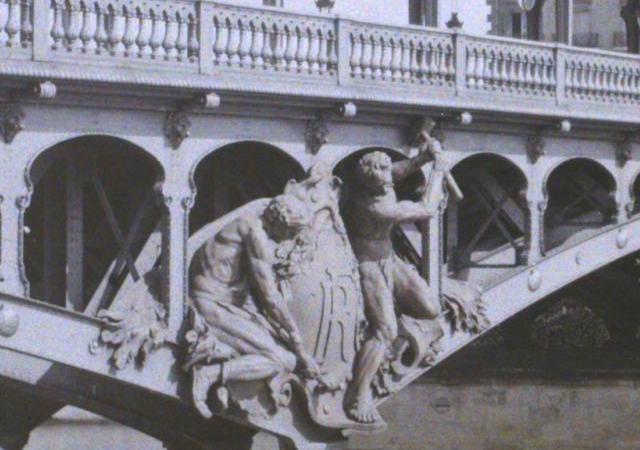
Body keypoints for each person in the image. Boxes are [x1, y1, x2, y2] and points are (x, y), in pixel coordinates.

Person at [185, 189, 339, 418]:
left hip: (221, 306)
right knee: (279, 359)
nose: (290, 239)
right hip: (210, 307)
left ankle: (223, 382)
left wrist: (297, 350)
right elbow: (270, 297)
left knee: (286, 356)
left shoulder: (246, 223)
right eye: (292, 232)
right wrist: (299, 344)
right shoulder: (254, 233)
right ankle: (209, 375)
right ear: (281, 222)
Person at [341, 144, 460, 425]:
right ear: (372, 184)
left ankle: (396, 316)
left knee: (431, 308)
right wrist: (438, 172)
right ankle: (358, 397)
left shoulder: (380, 179)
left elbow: (398, 170)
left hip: (388, 256)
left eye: (387, 176)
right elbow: (427, 209)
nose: (388, 182)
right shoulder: (376, 206)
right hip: (366, 261)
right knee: (384, 331)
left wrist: (423, 157)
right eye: (382, 181)